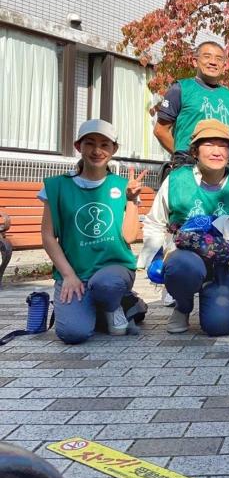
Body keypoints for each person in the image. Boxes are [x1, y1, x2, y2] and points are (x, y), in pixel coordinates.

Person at [139, 119, 229, 336]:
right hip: (185, 258)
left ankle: (212, 296)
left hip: (223, 262)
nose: (216, 151)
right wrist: (152, 258)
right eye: (209, 144)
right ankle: (183, 305)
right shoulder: (177, 180)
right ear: (195, 151)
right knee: (181, 267)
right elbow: (155, 222)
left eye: (223, 145)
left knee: (219, 325)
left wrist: (225, 226)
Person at [40, 120, 144, 344]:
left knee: (107, 285)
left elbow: (129, 237)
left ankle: (115, 304)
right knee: (73, 333)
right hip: (75, 272)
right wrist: (68, 275)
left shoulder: (125, 186)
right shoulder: (57, 186)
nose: (97, 151)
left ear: (114, 149)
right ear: (78, 146)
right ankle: (110, 307)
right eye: (90, 143)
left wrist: (131, 200)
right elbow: (48, 236)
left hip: (113, 270)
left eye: (105, 144)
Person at [154, 41, 229, 181]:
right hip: (187, 168)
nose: (213, 62)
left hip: (219, 171)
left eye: (219, 59)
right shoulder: (180, 88)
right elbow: (160, 130)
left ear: (224, 66)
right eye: (207, 56)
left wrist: (218, 153)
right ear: (195, 61)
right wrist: (184, 155)